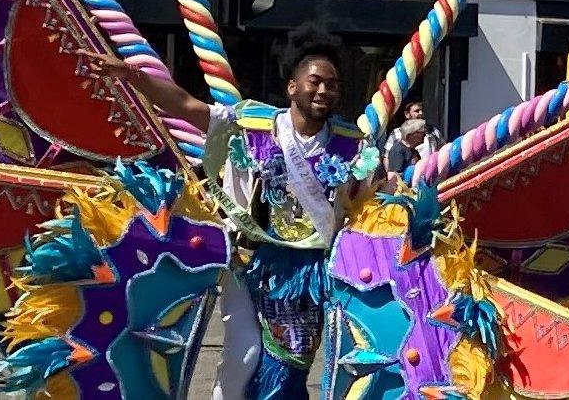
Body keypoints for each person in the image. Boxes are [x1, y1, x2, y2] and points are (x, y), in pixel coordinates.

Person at [80, 43, 362, 399]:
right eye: (315, 81)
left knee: (293, 359)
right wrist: (134, 77)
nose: (324, 90)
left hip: (307, 273)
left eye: (333, 84)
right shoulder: (251, 123)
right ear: (293, 87)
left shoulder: (351, 144)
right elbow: (184, 104)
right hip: (249, 262)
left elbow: (367, 201)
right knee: (243, 355)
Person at [382, 101, 442, 166]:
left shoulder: (433, 131)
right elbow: (387, 157)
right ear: (407, 114)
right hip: (405, 174)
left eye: (422, 110)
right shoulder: (397, 133)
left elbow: (442, 153)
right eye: (417, 111)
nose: (421, 113)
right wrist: (391, 173)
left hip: (431, 173)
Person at [386, 119, 427, 184]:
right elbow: (393, 176)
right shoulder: (398, 150)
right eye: (421, 133)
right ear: (410, 136)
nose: (424, 135)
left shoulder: (414, 149)